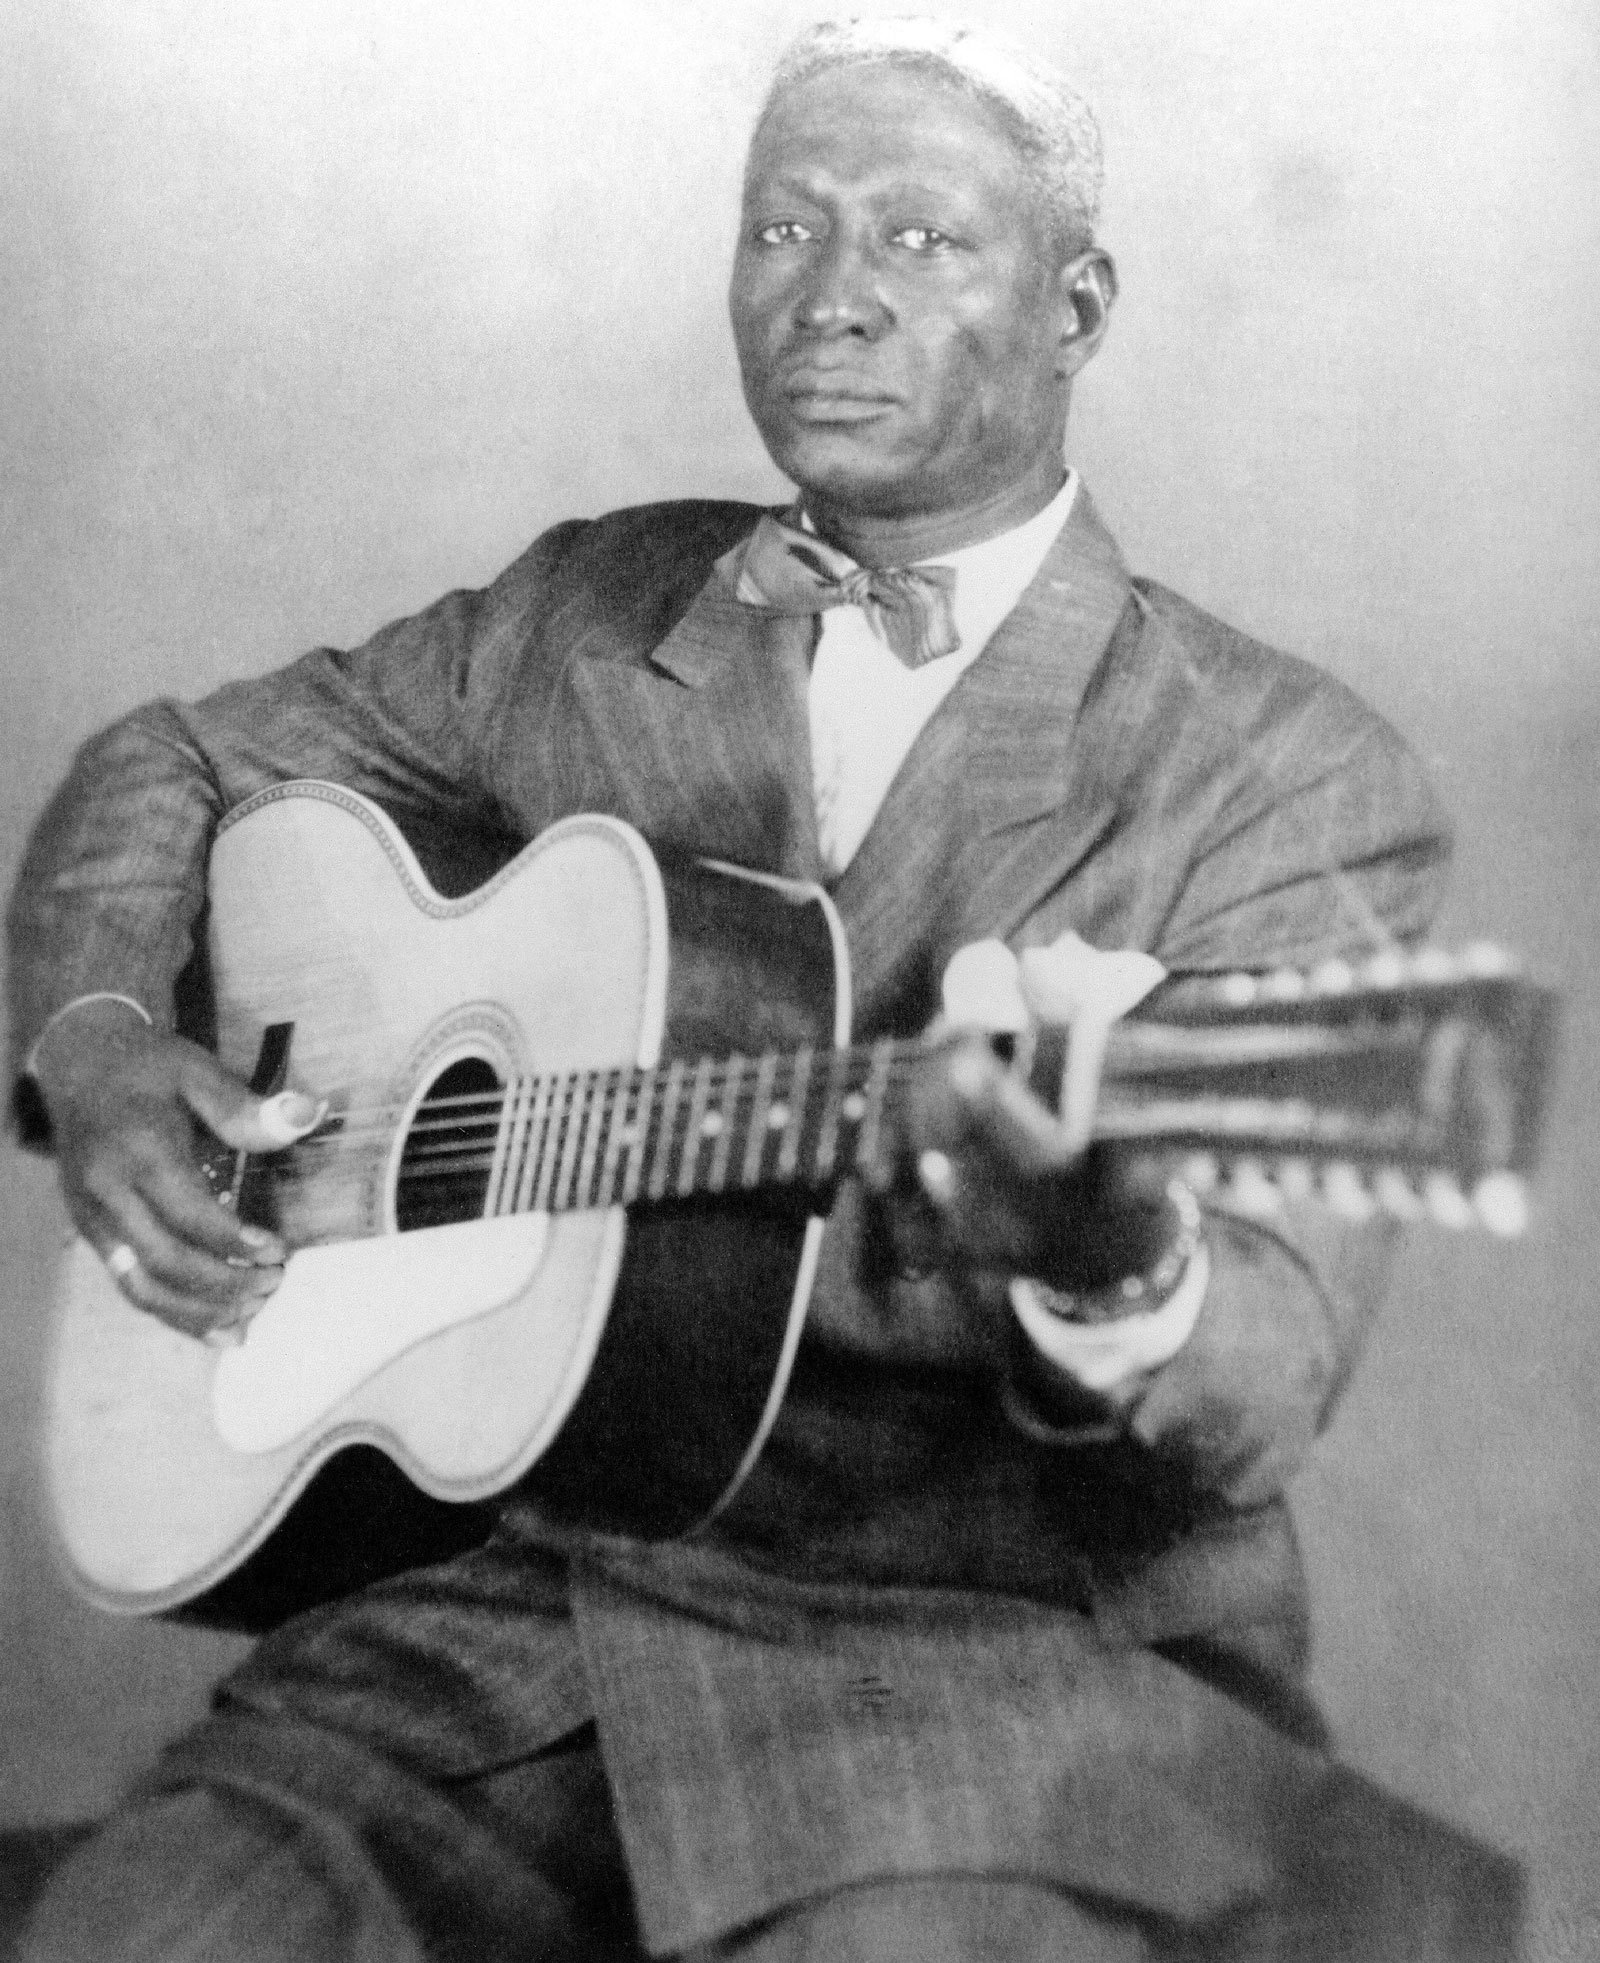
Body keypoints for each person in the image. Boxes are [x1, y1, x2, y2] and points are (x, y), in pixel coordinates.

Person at [7, 18, 1520, 1962]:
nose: (831, 294)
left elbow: (1259, 1380)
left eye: (919, 238)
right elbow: (180, 764)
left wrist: (1107, 1254)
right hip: (494, 1629)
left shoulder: (1285, 772)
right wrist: (101, 1045)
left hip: (983, 1676)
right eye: (785, 228)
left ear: (1075, 308)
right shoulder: (588, 608)